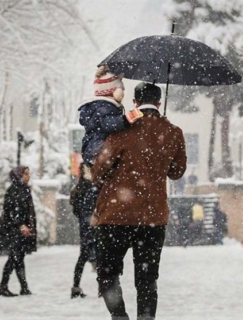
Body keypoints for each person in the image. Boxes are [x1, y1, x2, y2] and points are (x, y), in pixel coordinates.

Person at [91, 82, 187, 320]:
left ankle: (119, 316)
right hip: (152, 218)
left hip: (116, 217)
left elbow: (98, 170)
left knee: (107, 274)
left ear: (134, 102)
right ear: (159, 103)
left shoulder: (122, 130)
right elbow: (177, 172)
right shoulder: (173, 132)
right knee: (147, 279)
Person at [78, 66, 144, 166]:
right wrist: (126, 119)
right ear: (115, 91)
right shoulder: (104, 108)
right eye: (121, 88)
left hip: (94, 149)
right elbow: (108, 123)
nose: (123, 91)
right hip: (98, 149)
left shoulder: (101, 107)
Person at [0, 166, 37, 297]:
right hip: (14, 231)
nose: (28, 176)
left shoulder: (24, 190)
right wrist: (21, 225)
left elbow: (26, 211)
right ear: (19, 176)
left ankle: (23, 287)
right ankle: (4, 286)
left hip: (21, 230)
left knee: (18, 258)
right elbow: (13, 212)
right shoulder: (14, 191)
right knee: (14, 258)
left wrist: (29, 226)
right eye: (25, 174)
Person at [69, 163, 98, 298]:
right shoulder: (91, 187)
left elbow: (76, 209)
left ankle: (76, 287)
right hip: (92, 226)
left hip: (88, 226)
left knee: (85, 256)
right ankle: (103, 288)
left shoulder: (81, 188)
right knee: (97, 256)